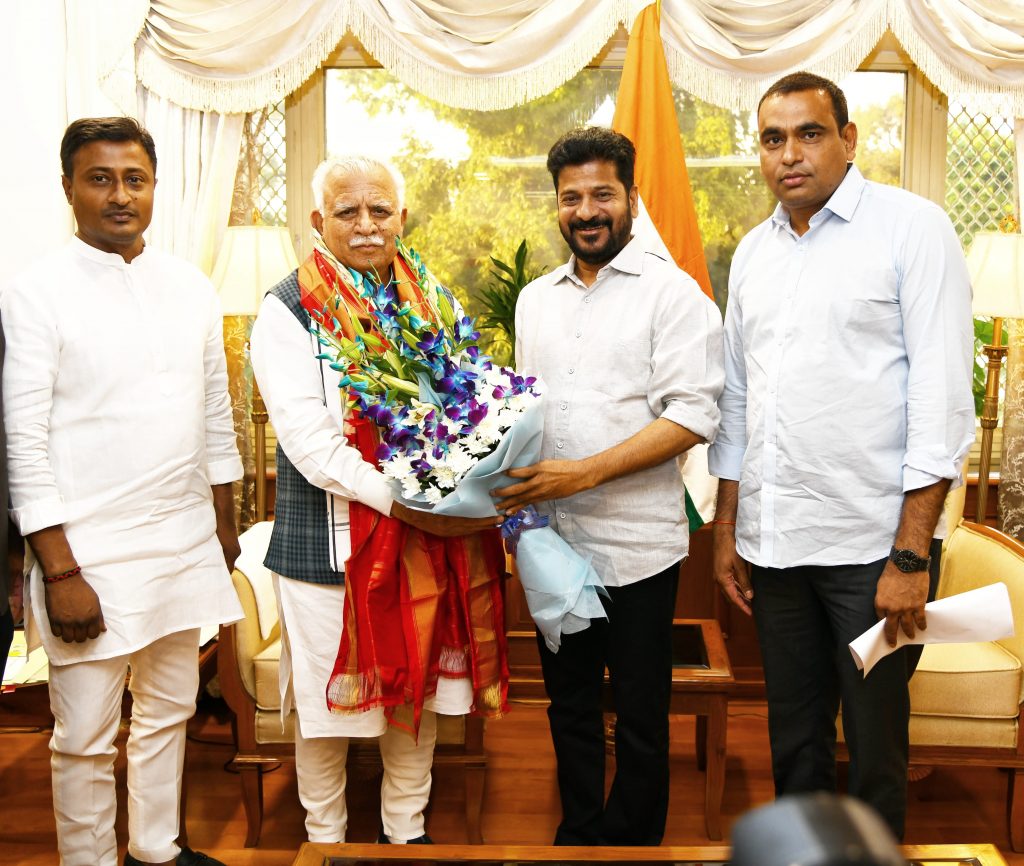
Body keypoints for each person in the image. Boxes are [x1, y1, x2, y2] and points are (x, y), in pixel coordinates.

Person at [708, 72, 975, 839]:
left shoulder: (912, 228)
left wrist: (911, 556)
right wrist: (728, 529)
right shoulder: (755, 253)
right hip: (776, 547)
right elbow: (739, 401)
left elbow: (942, 401)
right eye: (772, 138)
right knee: (793, 744)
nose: (790, 154)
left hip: (876, 554)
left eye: (810, 133)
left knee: (876, 748)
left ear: (849, 140)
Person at [1, 117, 244, 866]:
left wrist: (223, 528)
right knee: (83, 736)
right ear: (68, 188)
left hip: (179, 541)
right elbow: (24, 443)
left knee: (170, 708)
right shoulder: (36, 293)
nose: (118, 195)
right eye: (99, 178)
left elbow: (216, 418)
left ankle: (155, 847)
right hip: (89, 553)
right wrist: (61, 570)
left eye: (133, 179)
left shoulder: (191, 288)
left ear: (154, 188)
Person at [249, 155, 507, 845]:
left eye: (380, 211)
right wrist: (404, 501)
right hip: (329, 550)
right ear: (317, 222)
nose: (366, 226)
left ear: (402, 217)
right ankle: (325, 841)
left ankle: (406, 834)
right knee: (327, 715)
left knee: (412, 701)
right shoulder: (288, 311)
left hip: (423, 544)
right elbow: (308, 444)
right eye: (347, 212)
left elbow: (470, 403)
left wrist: (476, 468)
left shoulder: (430, 297)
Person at [493, 127, 725, 845]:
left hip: (639, 551)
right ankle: (581, 834)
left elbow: (693, 414)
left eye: (602, 194)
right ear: (556, 205)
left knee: (640, 713)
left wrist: (586, 472)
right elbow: (527, 413)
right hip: (553, 546)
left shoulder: (672, 295)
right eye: (572, 198)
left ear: (632, 198)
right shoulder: (535, 300)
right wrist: (510, 512)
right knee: (568, 706)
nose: (587, 210)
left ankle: (632, 848)